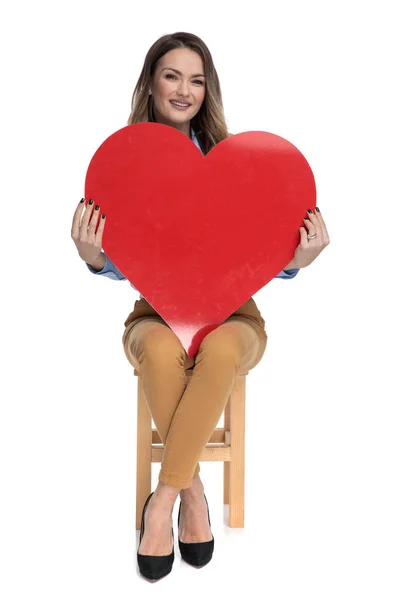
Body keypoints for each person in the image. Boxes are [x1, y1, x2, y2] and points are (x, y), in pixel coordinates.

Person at [71, 31, 330, 580]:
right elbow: (128, 259)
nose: (184, 90)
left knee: (219, 346)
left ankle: (163, 502)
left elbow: (264, 256)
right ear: (151, 83)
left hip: (236, 316)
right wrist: (94, 257)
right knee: (161, 351)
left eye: (196, 79)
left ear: (207, 89)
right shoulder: (124, 163)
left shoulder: (234, 163)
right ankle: (194, 497)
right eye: (172, 76)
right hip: (154, 314)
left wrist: (299, 260)